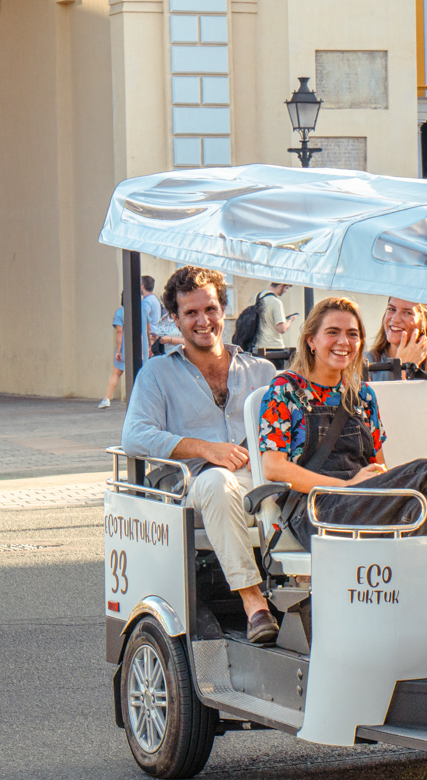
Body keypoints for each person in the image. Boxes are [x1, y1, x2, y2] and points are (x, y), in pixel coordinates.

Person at [259, 297, 427, 598]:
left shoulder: (363, 395)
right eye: (333, 332)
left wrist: (365, 486)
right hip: (314, 510)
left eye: (353, 334)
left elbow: (377, 465)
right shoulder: (285, 389)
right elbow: (274, 468)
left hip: (363, 502)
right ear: (311, 340)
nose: (344, 341)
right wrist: (346, 485)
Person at [121, 267, 281, 643]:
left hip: (254, 478)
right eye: (190, 313)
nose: (202, 320)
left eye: (209, 309)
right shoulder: (157, 373)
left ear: (223, 309)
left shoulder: (263, 371)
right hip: (191, 483)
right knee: (216, 481)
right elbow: (135, 436)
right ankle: (254, 603)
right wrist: (205, 448)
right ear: (174, 319)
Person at [99, 279, 170, 409]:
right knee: (142, 374)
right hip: (142, 347)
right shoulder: (143, 310)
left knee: (116, 373)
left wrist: (119, 350)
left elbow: (120, 332)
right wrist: (149, 346)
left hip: (126, 347)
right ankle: (143, 400)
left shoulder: (120, 312)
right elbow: (149, 329)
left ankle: (106, 399)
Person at [365, 298, 427, 381]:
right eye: (391, 309)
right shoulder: (366, 364)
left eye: (407, 313)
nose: (395, 319)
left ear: (426, 321)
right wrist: (403, 369)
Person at [255, 282, 298, 351]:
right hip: (273, 346)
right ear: (281, 285)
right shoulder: (276, 302)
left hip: (256, 346)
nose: (285, 291)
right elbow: (282, 329)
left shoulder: (256, 297)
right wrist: (290, 320)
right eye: (286, 288)